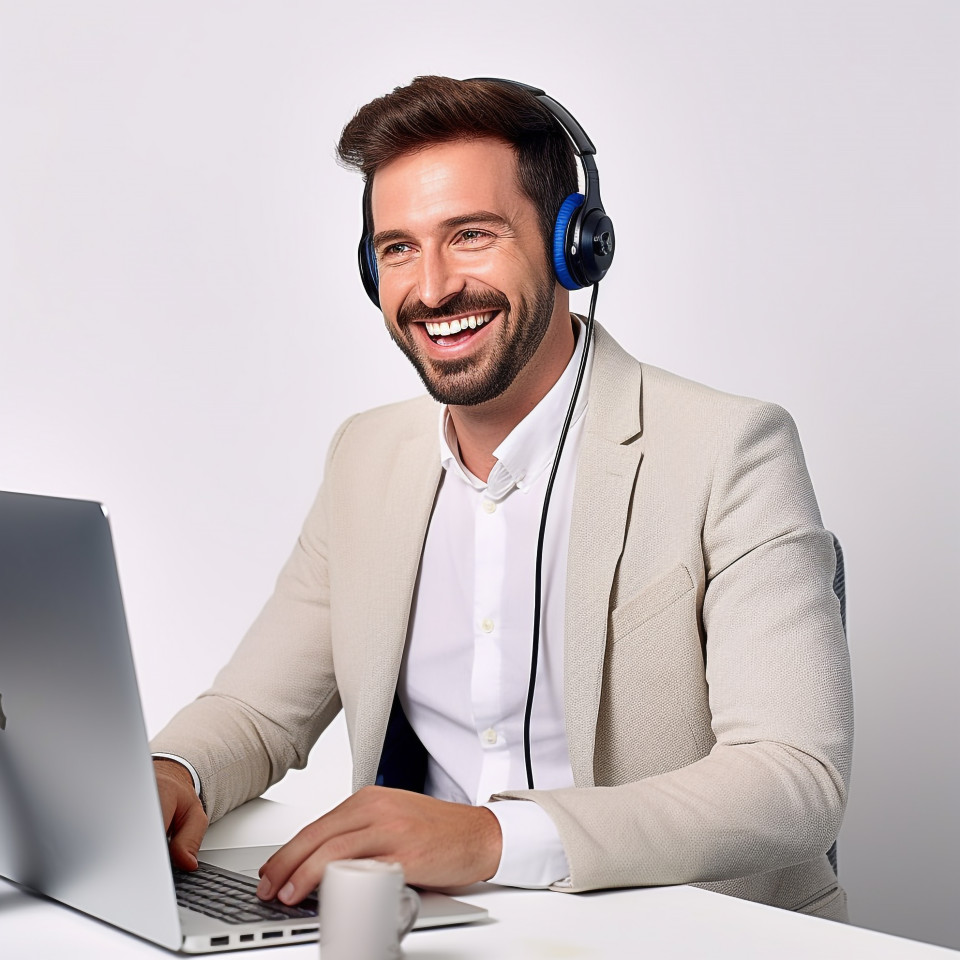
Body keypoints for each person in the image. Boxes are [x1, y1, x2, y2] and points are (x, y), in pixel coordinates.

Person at [150, 76, 853, 921]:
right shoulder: (366, 457)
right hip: (437, 928)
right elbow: (259, 710)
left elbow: (793, 777)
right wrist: (169, 775)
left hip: (677, 925)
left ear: (572, 247)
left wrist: (489, 837)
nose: (434, 288)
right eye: (400, 248)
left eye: (471, 235)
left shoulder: (729, 450)